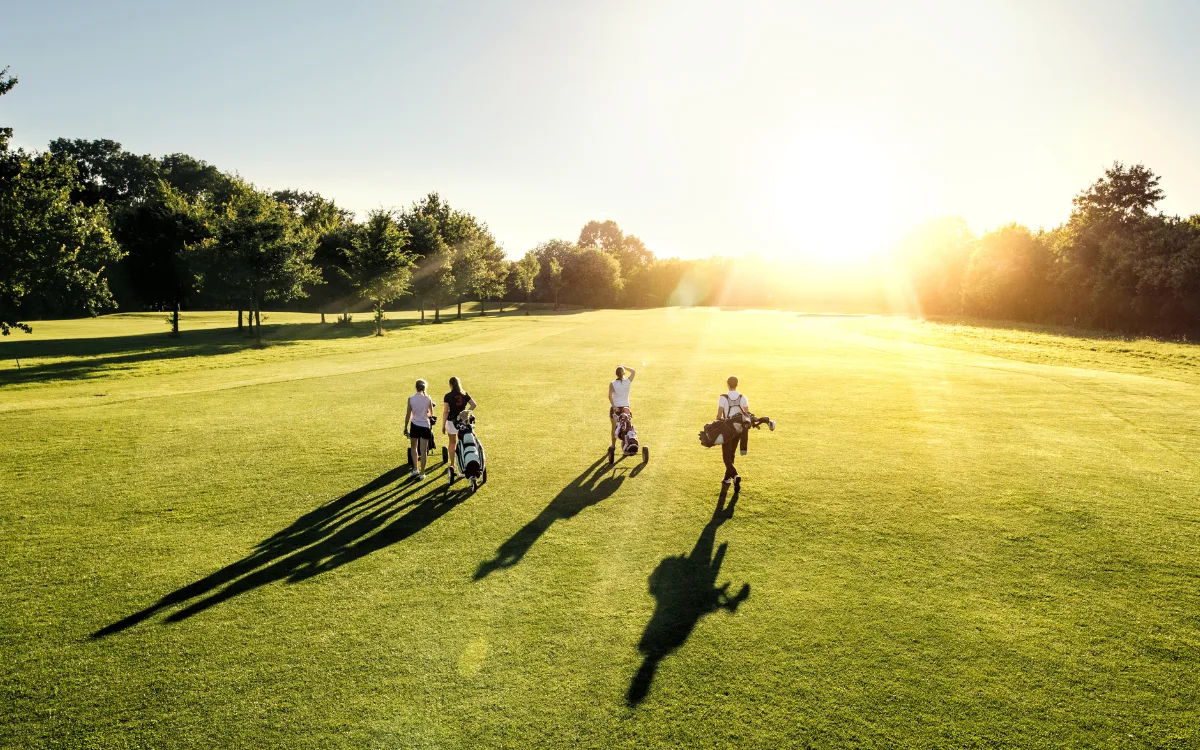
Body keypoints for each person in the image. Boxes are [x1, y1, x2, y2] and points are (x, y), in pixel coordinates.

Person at [717, 375, 749, 485]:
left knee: (726, 457)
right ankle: (727, 478)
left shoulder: (723, 398)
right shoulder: (743, 397)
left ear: (727, 384)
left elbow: (719, 416)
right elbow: (747, 414)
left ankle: (735, 475)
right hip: (739, 429)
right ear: (737, 384)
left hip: (727, 429)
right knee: (732, 454)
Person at [442, 376, 478, 476]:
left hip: (451, 421)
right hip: (463, 421)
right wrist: (466, 412)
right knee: (463, 441)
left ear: (450, 384)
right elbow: (474, 404)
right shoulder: (464, 394)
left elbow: (445, 412)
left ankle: (453, 464)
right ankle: (466, 461)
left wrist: (443, 425)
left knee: (452, 442)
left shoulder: (448, 396)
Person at [404, 378, 435, 480]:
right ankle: (422, 473)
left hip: (414, 425)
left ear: (416, 387)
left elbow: (408, 414)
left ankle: (415, 469)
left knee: (414, 448)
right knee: (423, 450)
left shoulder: (411, 399)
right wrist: (425, 413)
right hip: (425, 426)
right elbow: (431, 413)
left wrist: (405, 427)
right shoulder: (428, 399)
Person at [608, 364, 637, 459]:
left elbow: (610, 396)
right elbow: (633, 371)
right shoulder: (627, 382)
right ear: (624, 373)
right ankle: (626, 446)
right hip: (626, 409)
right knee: (626, 427)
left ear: (616, 374)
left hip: (616, 408)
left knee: (614, 428)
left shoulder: (612, 383)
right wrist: (624, 366)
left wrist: (613, 406)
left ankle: (613, 446)